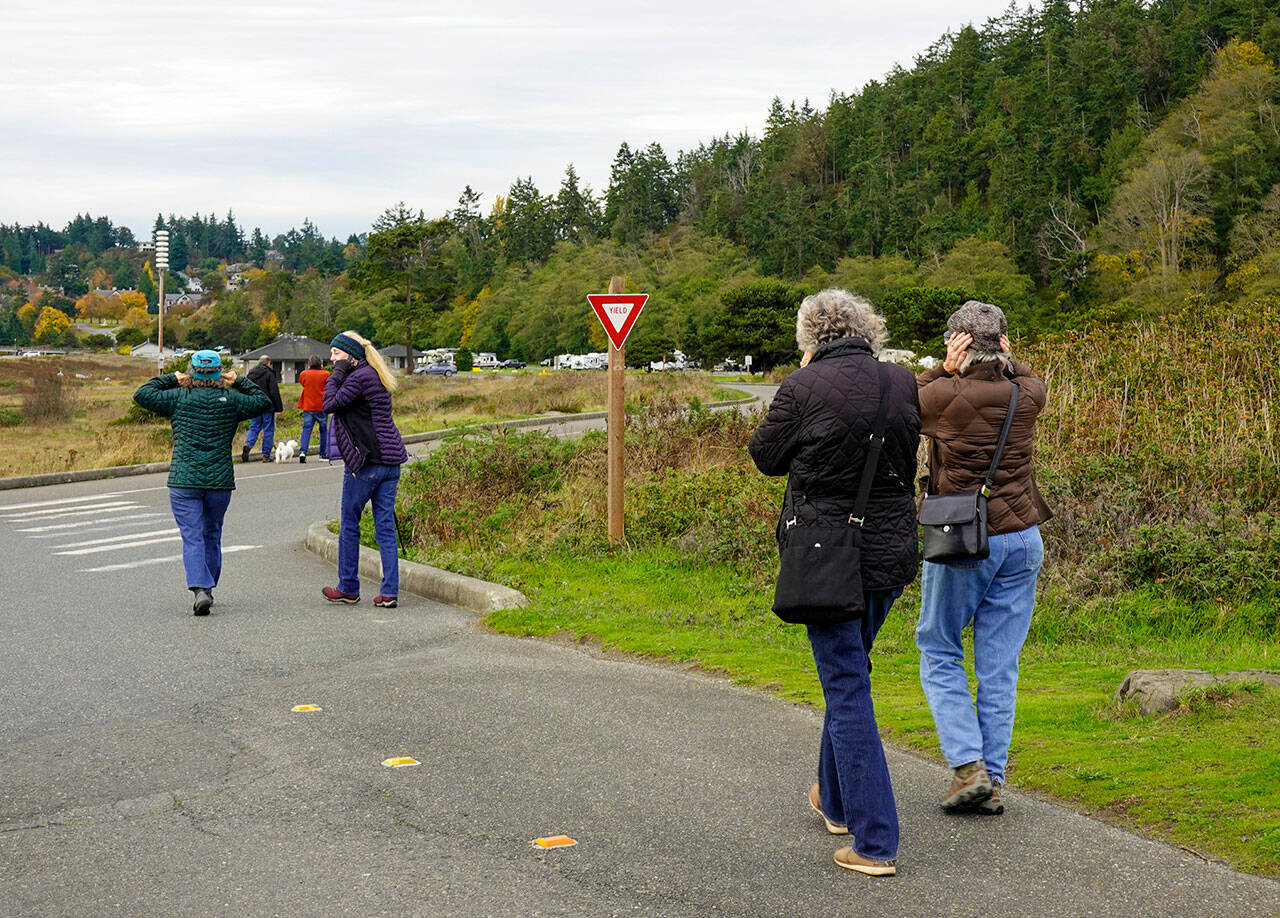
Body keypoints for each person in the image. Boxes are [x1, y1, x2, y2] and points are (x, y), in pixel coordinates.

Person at [749, 289, 920, 877]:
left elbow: (765, 457)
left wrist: (800, 385)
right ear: (866, 328)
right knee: (852, 670)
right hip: (889, 551)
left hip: (826, 556)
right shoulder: (901, 382)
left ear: (808, 338)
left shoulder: (802, 387)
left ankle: (874, 842)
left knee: (847, 687)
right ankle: (835, 797)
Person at [915, 300, 1052, 816]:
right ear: (1005, 343)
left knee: (939, 645)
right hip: (1023, 538)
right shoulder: (1028, 391)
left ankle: (968, 766)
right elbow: (1030, 377)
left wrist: (941, 369)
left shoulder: (944, 395)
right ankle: (993, 779)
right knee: (999, 664)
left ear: (959, 343)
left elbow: (907, 401)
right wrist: (1010, 361)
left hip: (966, 538)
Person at [132, 350, 273, 615]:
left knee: (192, 535)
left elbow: (142, 394)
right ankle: (208, 588)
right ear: (220, 371)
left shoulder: (178, 397)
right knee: (212, 533)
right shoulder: (231, 399)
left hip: (184, 479)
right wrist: (239, 381)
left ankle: (200, 588)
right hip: (219, 481)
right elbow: (263, 402)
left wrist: (171, 379)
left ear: (192, 370)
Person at [321, 331, 408, 608]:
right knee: (384, 528)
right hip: (391, 461)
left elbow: (329, 404)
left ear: (349, 354)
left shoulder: (358, 378)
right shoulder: (375, 375)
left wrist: (338, 372)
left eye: (336, 353)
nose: (332, 358)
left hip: (366, 462)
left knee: (349, 524)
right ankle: (389, 592)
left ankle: (348, 586)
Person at [242, 356, 283, 462]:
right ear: (268, 363)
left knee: (254, 427)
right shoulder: (269, 374)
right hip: (267, 406)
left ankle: (248, 444)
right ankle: (266, 455)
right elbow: (274, 392)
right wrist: (279, 408)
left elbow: (245, 389)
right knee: (268, 429)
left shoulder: (251, 374)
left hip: (254, 405)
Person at [297, 354, 331, 463]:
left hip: (308, 406)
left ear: (309, 364)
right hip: (322, 406)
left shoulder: (304, 374)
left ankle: (303, 452)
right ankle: (323, 454)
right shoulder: (326, 374)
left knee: (306, 429)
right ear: (320, 364)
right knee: (323, 430)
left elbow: (303, 383)